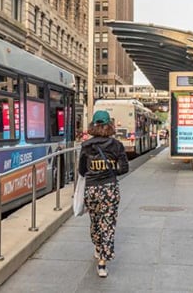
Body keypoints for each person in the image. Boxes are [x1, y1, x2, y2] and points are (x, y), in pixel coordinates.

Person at [78, 110, 129, 278]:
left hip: (91, 189)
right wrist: (111, 169)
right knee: (108, 224)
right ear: (110, 126)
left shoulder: (86, 146)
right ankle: (102, 263)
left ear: (93, 125)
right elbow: (124, 169)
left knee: (95, 221)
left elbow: (81, 170)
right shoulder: (116, 145)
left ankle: (97, 246)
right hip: (109, 189)